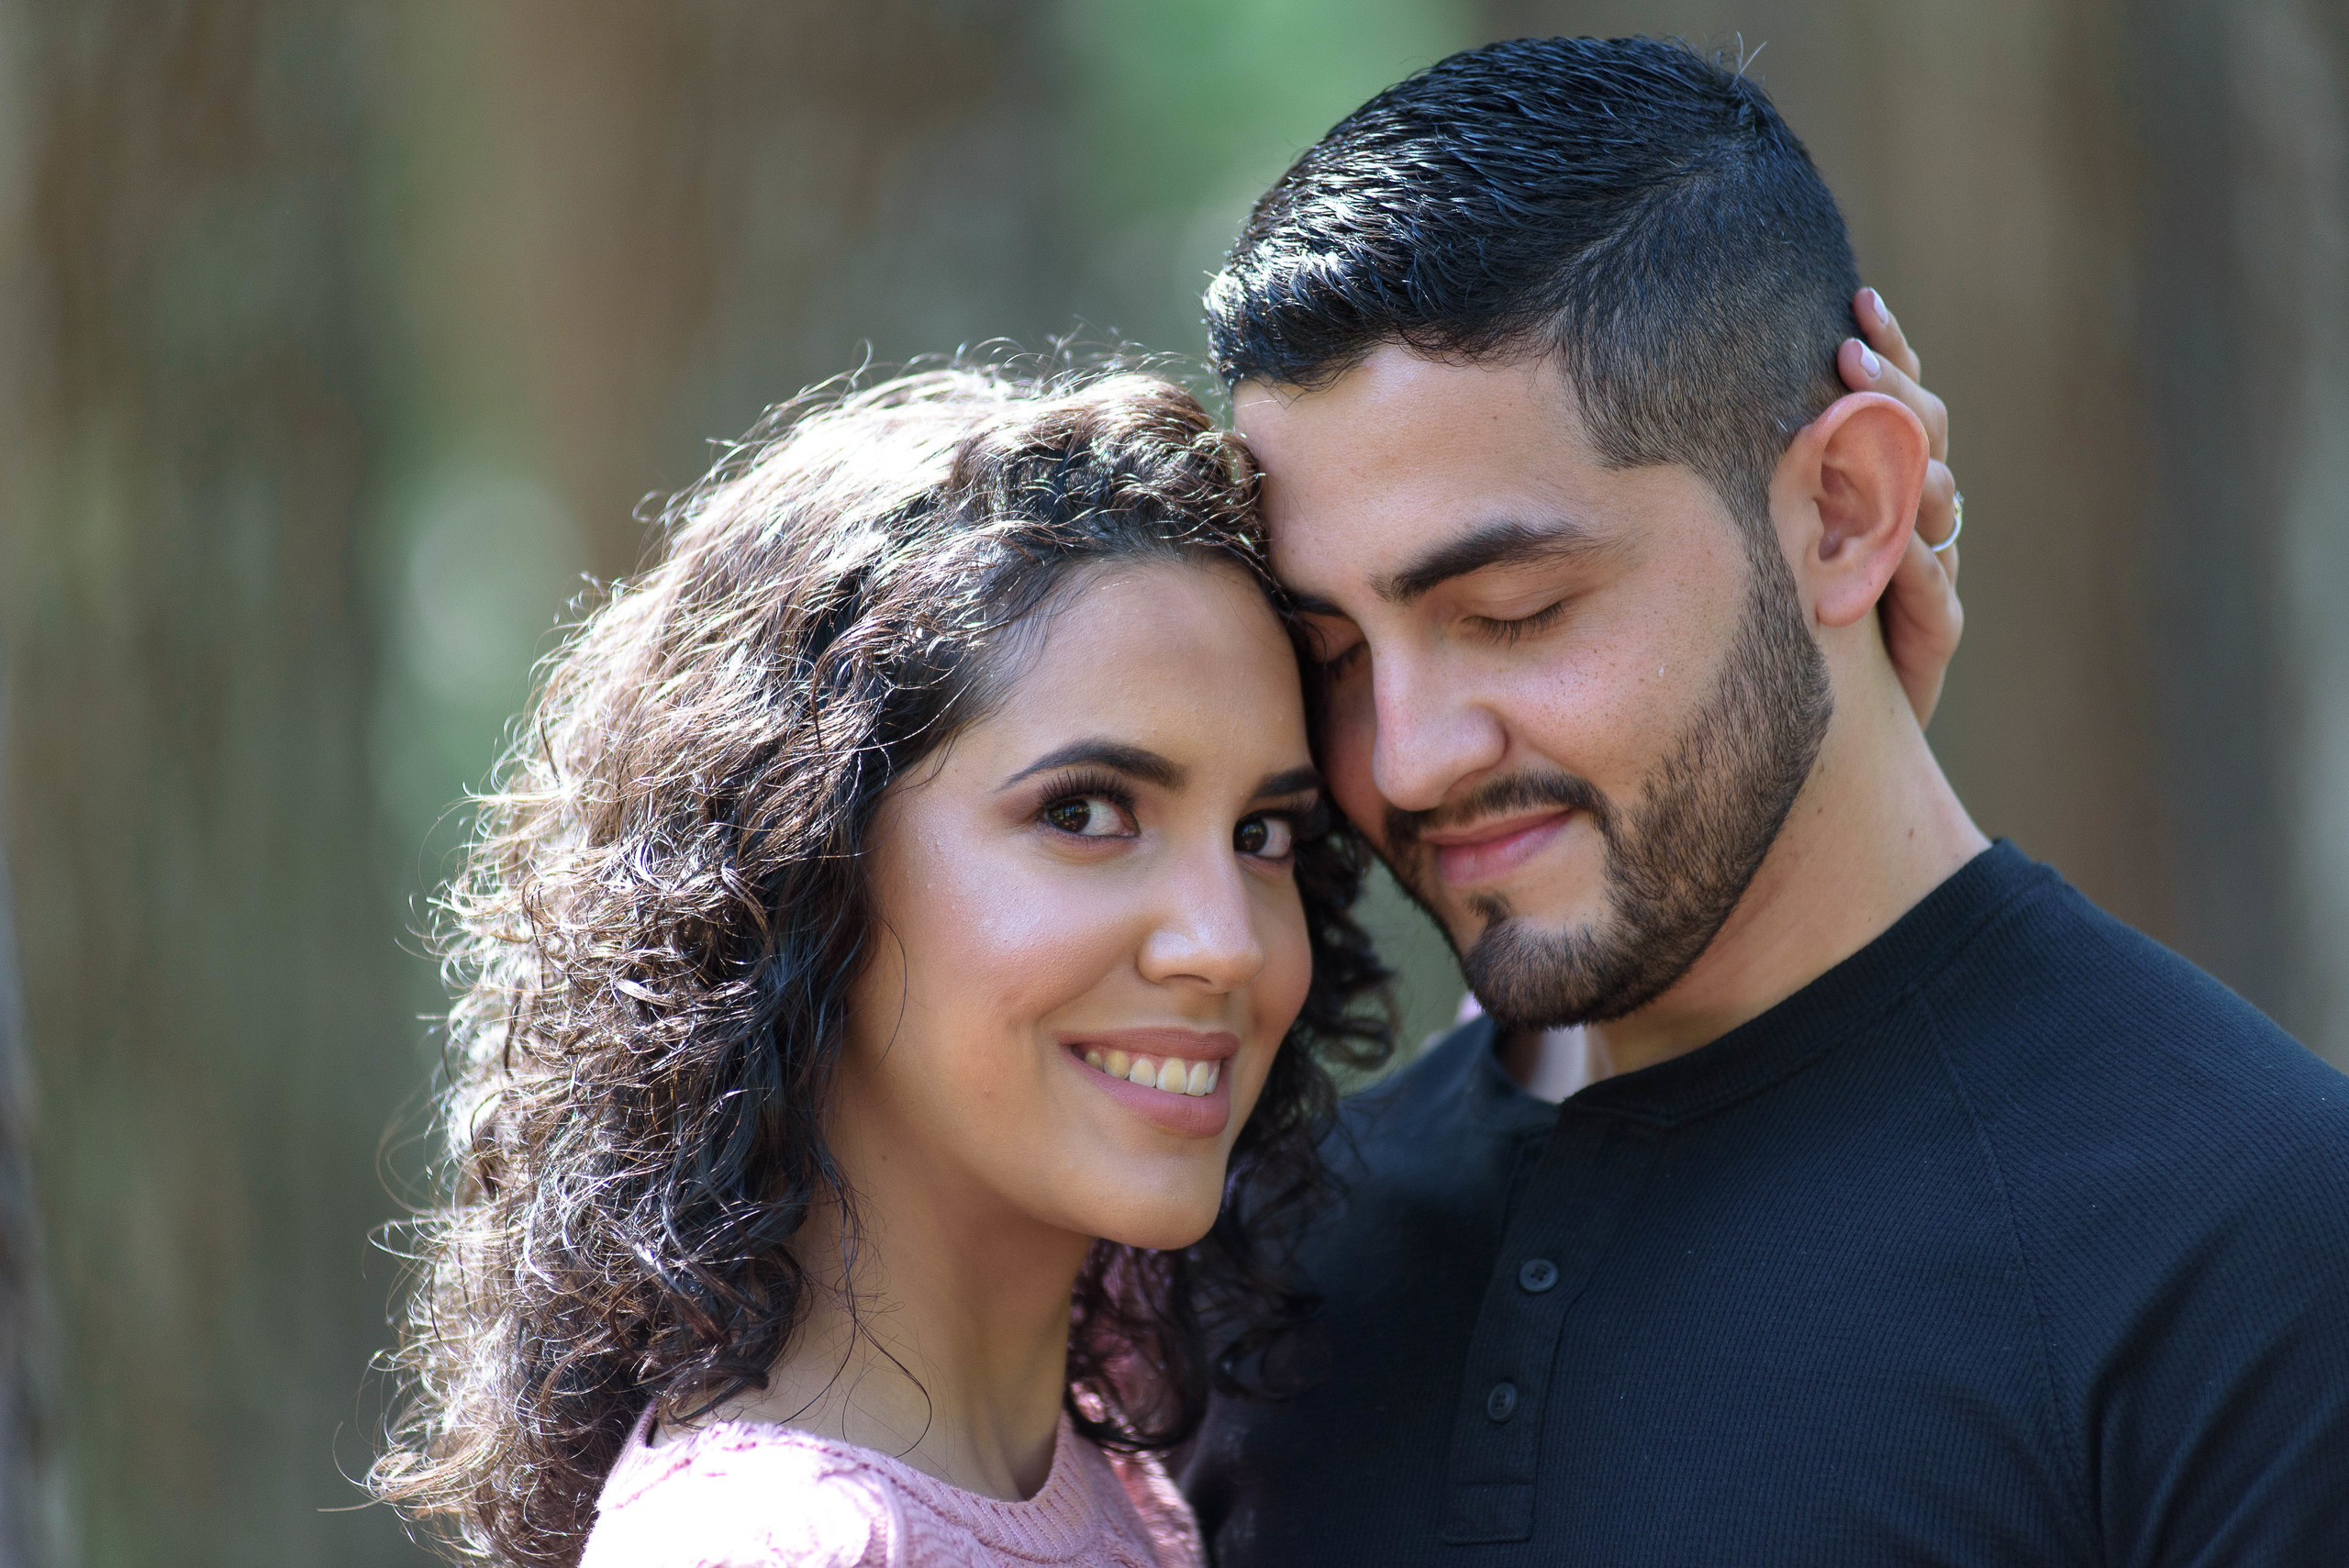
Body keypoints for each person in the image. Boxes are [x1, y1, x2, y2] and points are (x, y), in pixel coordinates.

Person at [369, 351, 1959, 1562]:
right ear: (800, 866)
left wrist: (1802, 724)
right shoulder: (788, 1542)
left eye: (1264, 834)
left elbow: (1540, 1042)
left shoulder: (1104, 1370)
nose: (1221, 946)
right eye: (1087, 811)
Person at [1181, 36, 2349, 1567]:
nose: (1404, 759)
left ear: (1844, 510)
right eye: (1328, 654)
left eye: (1514, 609)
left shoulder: (2250, 1235)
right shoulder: (1253, 1257)